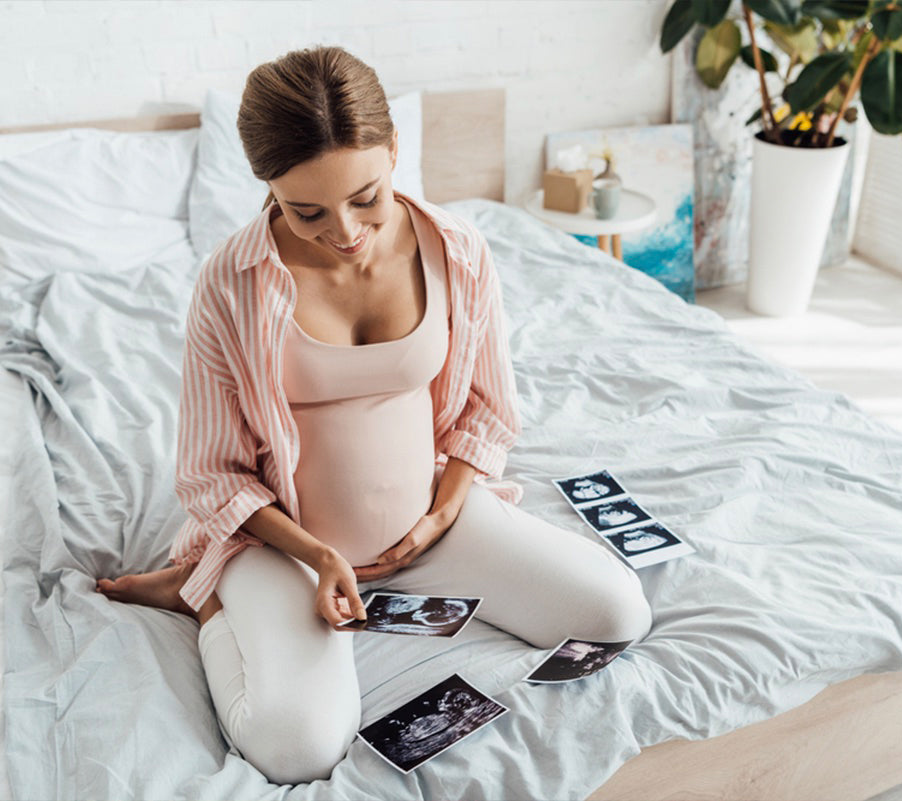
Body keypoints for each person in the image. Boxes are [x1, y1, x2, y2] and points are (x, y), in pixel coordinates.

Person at [96, 45, 652, 785]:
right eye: (307, 211)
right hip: (288, 549)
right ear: (266, 185)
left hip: (428, 526)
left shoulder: (457, 250)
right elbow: (212, 473)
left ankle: (348, 568)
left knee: (616, 613)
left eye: (367, 197)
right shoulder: (230, 284)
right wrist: (320, 556)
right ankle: (207, 599)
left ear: (395, 151)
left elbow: (485, 414)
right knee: (298, 747)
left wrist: (436, 517)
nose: (346, 231)